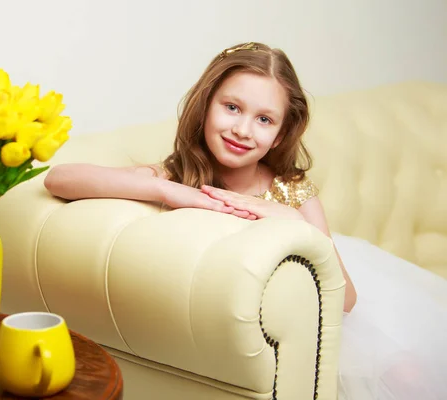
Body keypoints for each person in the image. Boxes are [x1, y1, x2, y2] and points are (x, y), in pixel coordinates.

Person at [43, 42, 447, 399]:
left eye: (264, 119)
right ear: (205, 106)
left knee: (407, 377)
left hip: (308, 320)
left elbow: (347, 301)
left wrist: (290, 219)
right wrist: (167, 190)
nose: (242, 130)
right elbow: (59, 178)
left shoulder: (293, 191)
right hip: (234, 329)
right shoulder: (176, 176)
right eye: (232, 107)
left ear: (281, 133)